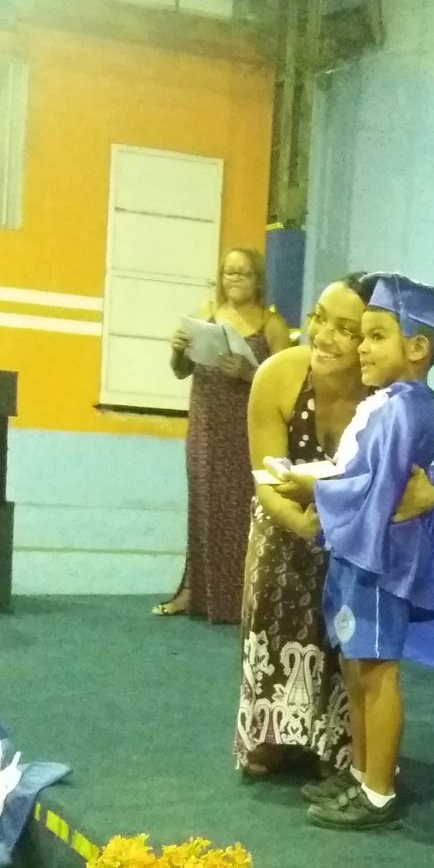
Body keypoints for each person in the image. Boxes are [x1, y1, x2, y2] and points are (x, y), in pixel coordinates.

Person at [268, 273, 434, 831]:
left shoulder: (406, 410)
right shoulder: (388, 403)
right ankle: (360, 771)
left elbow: (376, 489)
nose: (362, 347)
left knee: (377, 671)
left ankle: (379, 790)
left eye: (377, 336)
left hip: (380, 556)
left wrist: (313, 486)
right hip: (359, 550)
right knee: (355, 667)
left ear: (418, 347)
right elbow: (360, 473)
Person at [236, 274, 434, 777]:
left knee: (357, 654)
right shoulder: (276, 376)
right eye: (319, 319)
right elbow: (265, 479)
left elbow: (413, 480)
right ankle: (273, 732)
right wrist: (309, 524)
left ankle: (346, 752)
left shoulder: (389, 396)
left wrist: (426, 495)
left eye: (348, 330)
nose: (324, 337)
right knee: (276, 590)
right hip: (292, 520)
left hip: (353, 535)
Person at [155, 248, 291, 622]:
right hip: (207, 425)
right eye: (228, 272)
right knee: (203, 506)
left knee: (244, 510)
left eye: (243, 273)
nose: (234, 279)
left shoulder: (272, 325)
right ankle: (195, 592)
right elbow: (181, 370)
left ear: (257, 279)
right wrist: (177, 351)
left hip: (249, 428)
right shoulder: (204, 316)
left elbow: (287, 381)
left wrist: (248, 374)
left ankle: (242, 596)